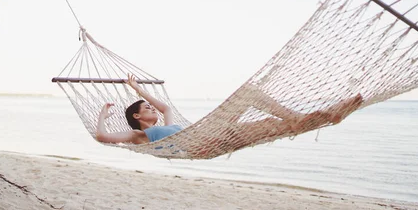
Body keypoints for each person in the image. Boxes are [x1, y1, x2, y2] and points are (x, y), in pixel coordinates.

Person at [95, 74, 363, 146]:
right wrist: (103, 116)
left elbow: (165, 106)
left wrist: (139, 90)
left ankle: (329, 116)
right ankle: (319, 116)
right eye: (146, 107)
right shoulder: (141, 137)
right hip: (202, 141)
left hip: (208, 134)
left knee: (273, 124)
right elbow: (102, 137)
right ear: (138, 118)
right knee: (248, 93)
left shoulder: (164, 123)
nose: (152, 106)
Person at [96, 74, 182, 144]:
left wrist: (138, 88)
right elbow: (101, 136)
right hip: (187, 145)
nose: (154, 109)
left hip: (191, 139)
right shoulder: (137, 135)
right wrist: (102, 115)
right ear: (136, 115)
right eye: (148, 107)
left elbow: (166, 109)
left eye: (152, 107)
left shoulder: (168, 127)